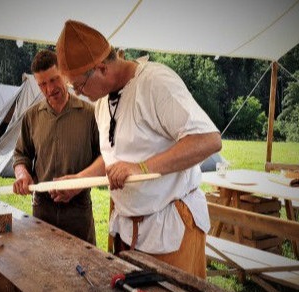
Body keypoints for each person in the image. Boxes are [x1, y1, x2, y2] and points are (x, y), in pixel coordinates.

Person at [56, 20, 222, 278]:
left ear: (100, 68)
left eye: (79, 86)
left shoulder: (155, 83)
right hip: (127, 231)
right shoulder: (102, 100)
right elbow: (115, 156)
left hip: (169, 230)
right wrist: (80, 180)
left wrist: (141, 168)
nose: (79, 94)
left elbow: (208, 140)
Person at [12, 49, 100, 245]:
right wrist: (22, 174)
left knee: (85, 267)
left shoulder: (89, 114)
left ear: (64, 74)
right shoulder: (31, 116)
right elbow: (20, 155)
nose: (49, 89)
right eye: (42, 84)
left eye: (53, 80)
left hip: (79, 212)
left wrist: (77, 184)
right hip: (42, 211)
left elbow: (104, 158)